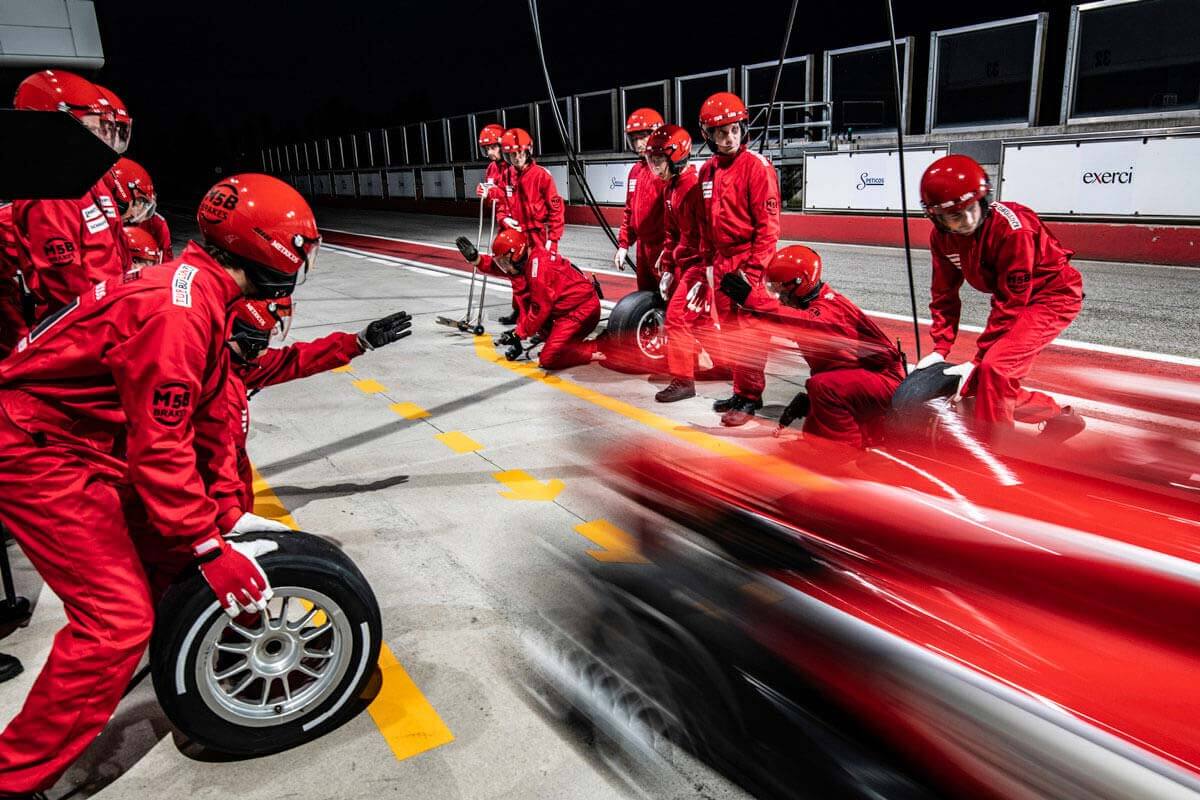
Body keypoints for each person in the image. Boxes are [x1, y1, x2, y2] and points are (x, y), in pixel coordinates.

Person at [0, 173, 320, 796]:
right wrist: (207, 548)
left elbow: (204, 423)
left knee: (164, 554)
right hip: (34, 448)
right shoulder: (181, 314)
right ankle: (12, 778)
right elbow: (161, 448)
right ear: (268, 247)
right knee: (115, 622)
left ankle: (125, 670)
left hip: (72, 439)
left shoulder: (198, 290)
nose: (303, 260)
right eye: (299, 247)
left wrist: (219, 519)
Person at [914, 155, 1085, 441]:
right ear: (936, 217)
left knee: (996, 368)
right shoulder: (941, 239)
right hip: (1018, 298)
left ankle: (997, 451)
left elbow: (1010, 302)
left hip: (1051, 296)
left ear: (983, 200)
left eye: (971, 208)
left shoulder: (1013, 229)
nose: (967, 220)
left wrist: (979, 358)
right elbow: (943, 292)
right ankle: (1058, 417)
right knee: (984, 381)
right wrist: (940, 348)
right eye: (954, 216)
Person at [224, 297, 412, 512]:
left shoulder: (236, 366)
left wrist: (359, 341)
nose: (273, 336)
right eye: (269, 330)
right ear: (252, 336)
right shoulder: (214, 386)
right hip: (215, 523)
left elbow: (296, 360)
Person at [721, 245, 905, 448]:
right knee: (814, 429)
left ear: (800, 283)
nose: (780, 296)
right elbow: (841, 363)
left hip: (887, 382)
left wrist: (753, 299)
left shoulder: (829, 307)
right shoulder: (813, 303)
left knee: (823, 387)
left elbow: (804, 321)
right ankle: (862, 436)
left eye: (782, 288)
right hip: (869, 377)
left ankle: (845, 453)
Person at [10, 70, 130, 318]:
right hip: (85, 323)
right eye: (93, 127)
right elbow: (64, 281)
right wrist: (103, 323)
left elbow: (113, 249)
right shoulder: (49, 190)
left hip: (109, 309)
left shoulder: (87, 177)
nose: (102, 138)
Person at [695, 92, 781, 426]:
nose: (729, 138)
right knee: (730, 331)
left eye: (734, 130)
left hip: (748, 263)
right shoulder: (706, 171)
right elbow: (705, 222)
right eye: (720, 132)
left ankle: (750, 397)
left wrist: (752, 271)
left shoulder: (757, 168)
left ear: (743, 128)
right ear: (708, 135)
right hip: (721, 262)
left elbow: (769, 228)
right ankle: (738, 389)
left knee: (750, 333)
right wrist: (706, 264)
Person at [649, 125, 723, 402]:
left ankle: (683, 380)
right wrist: (667, 265)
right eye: (651, 160)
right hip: (684, 264)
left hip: (698, 265)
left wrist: (705, 276)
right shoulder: (671, 187)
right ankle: (723, 363)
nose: (654, 166)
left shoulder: (693, 188)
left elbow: (708, 233)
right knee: (701, 321)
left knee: (677, 319)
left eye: (658, 160)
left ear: (676, 156)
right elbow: (671, 233)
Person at [455, 229, 601, 370]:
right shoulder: (522, 263)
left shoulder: (538, 271)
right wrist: (476, 259)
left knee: (548, 358)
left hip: (581, 311)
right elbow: (495, 266)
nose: (503, 267)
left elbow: (539, 311)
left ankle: (595, 347)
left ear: (515, 254)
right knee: (543, 332)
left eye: (504, 262)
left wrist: (518, 333)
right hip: (565, 311)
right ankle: (563, 343)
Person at [494, 127, 564, 326]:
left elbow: (556, 209)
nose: (517, 158)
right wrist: (503, 219)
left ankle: (543, 316)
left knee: (540, 277)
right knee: (516, 275)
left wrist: (553, 239)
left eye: (520, 153)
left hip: (537, 235)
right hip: (515, 234)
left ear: (528, 151)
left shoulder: (542, 175)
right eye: (512, 154)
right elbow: (501, 203)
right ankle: (519, 312)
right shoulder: (507, 176)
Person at [614, 108, 666, 292]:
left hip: (662, 247)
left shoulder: (665, 170)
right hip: (643, 249)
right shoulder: (635, 172)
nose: (638, 143)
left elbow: (677, 215)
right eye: (635, 138)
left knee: (669, 299)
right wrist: (623, 245)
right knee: (645, 297)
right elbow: (629, 211)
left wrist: (669, 249)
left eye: (643, 137)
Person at [109, 157, 173, 260]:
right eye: (138, 202)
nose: (135, 214)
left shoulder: (156, 223)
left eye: (143, 203)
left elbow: (165, 266)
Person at [474, 123, 506, 204]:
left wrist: (492, 192)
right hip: (498, 212)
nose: (490, 152)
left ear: (502, 146)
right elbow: (491, 201)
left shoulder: (514, 166)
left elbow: (515, 195)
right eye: (487, 149)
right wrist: (484, 191)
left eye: (493, 147)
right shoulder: (491, 167)